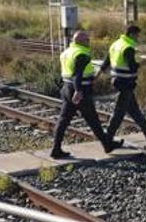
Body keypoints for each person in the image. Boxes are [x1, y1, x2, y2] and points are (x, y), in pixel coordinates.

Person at [50, 31, 123, 159]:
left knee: (63, 120)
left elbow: (67, 73)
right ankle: (107, 145)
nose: (89, 42)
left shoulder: (66, 52)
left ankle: (56, 149)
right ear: (81, 41)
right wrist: (78, 91)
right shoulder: (82, 54)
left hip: (66, 89)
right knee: (93, 120)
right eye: (87, 40)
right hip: (80, 91)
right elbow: (76, 75)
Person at [102, 24, 146, 143]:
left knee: (134, 110)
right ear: (132, 34)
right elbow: (132, 67)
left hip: (117, 81)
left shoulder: (116, 44)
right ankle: (107, 138)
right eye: (137, 35)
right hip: (125, 83)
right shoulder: (128, 47)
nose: (138, 38)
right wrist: (142, 64)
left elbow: (105, 64)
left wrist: (104, 73)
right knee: (119, 113)